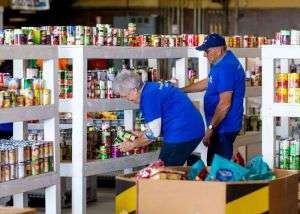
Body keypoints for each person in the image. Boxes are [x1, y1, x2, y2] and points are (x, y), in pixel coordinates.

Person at [113, 71, 205, 166]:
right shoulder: (151, 87)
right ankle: (199, 169)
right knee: (179, 157)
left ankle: (203, 174)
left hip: (182, 133)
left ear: (134, 90)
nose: (127, 99)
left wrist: (133, 144)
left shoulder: (148, 98)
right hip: (193, 128)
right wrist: (143, 134)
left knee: (163, 170)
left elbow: (153, 134)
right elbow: (160, 122)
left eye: (126, 96)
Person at [182, 33, 245, 166]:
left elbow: (224, 104)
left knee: (217, 169)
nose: (205, 55)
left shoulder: (225, 68)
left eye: (207, 51)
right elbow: (208, 82)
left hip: (223, 127)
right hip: (222, 126)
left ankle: (219, 187)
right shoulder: (224, 60)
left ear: (218, 49)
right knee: (217, 165)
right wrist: (182, 90)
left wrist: (210, 129)